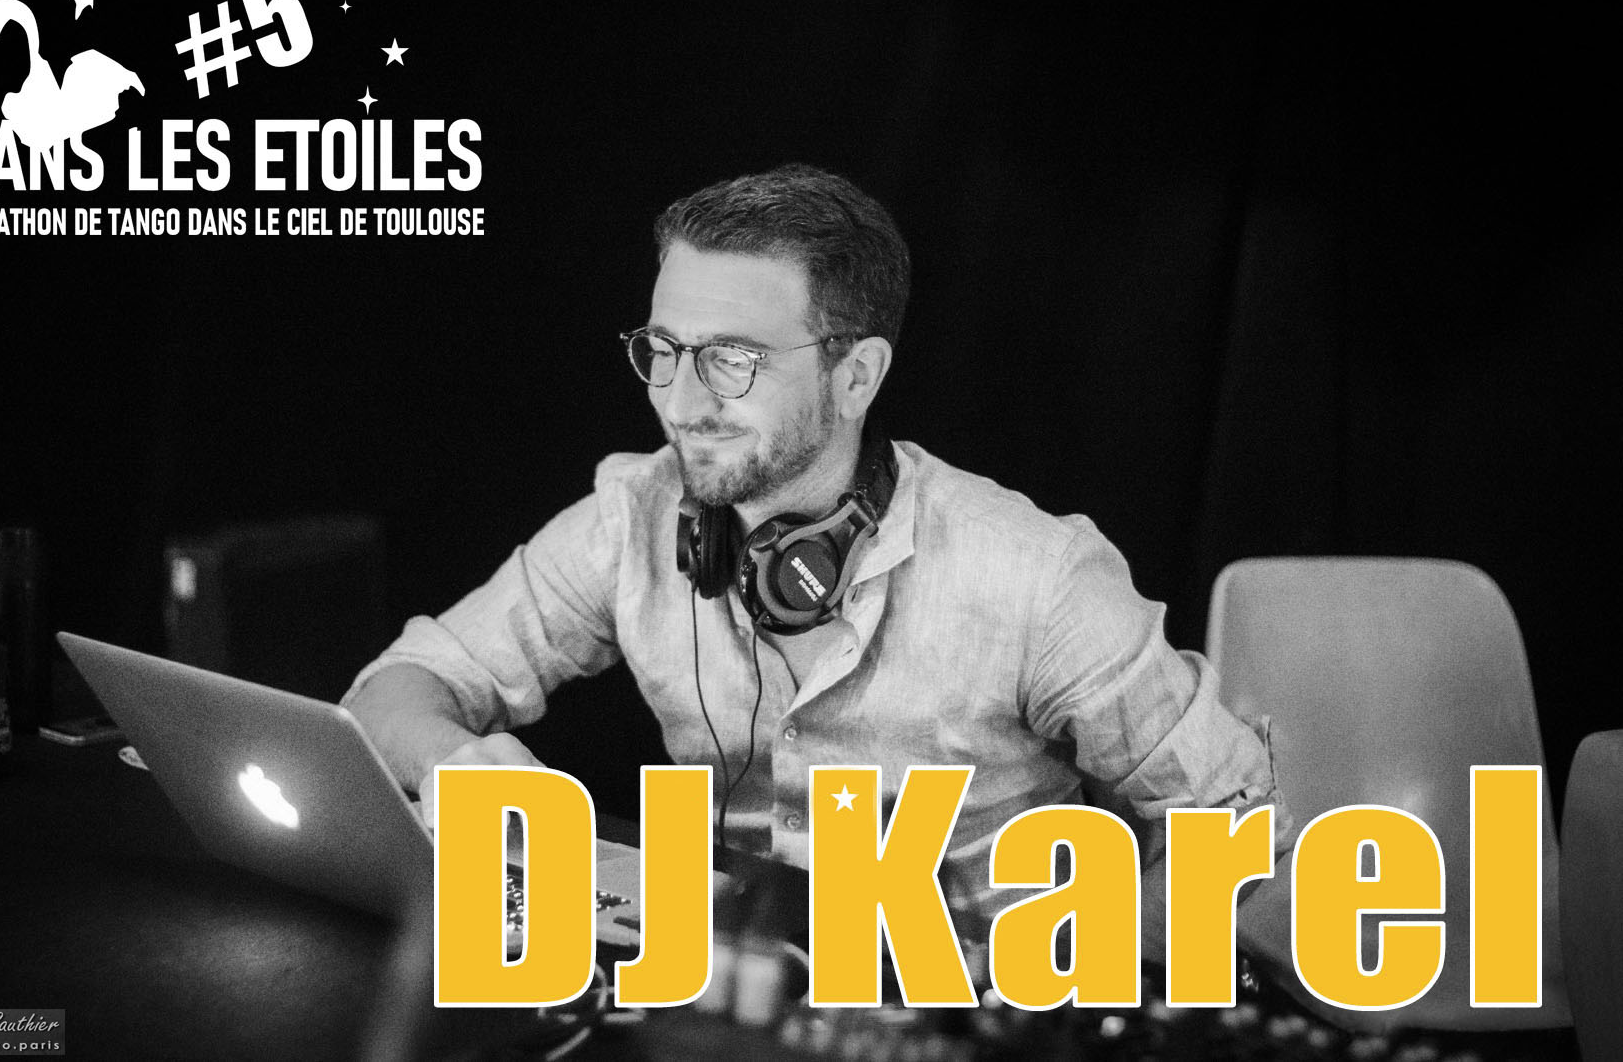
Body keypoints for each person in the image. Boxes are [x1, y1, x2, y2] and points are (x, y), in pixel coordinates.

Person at [343, 162, 1289, 959]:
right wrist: (459, 763)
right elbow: (395, 689)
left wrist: (1062, 979)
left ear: (856, 375)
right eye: (663, 351)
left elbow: (1239, 824)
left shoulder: (1038, 576)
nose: (680, 402)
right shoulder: (633, 518)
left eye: (732, 360)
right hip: (736, 998)